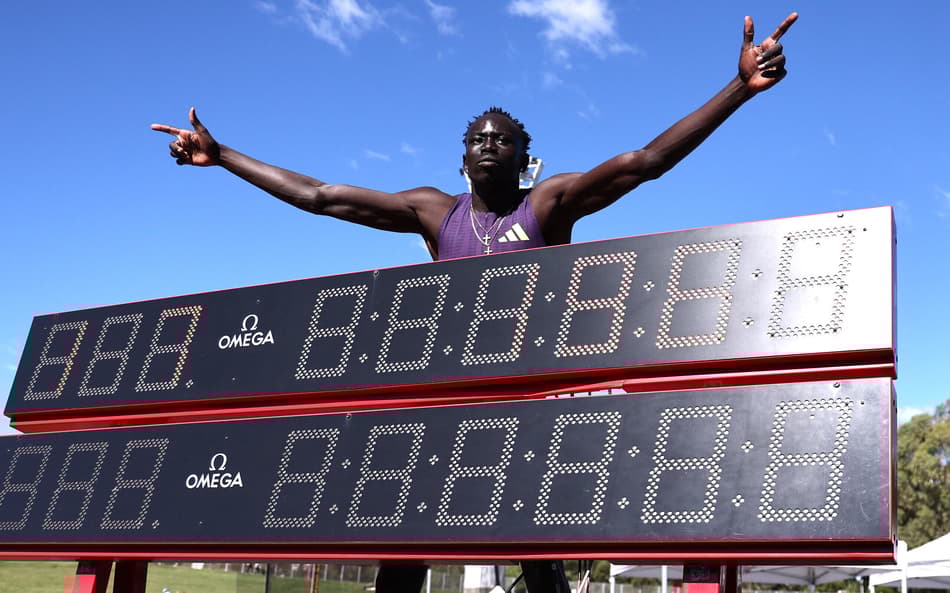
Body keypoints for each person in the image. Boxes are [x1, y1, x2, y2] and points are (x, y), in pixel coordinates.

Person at [152, 13, 797, 593]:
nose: (489, 143)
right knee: (401, 562)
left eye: (502, 138)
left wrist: (738, 88)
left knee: (540, 563)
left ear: (525, 156)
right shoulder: (435, 213)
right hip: (442, 414)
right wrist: (223, 154)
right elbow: (322, 196)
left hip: (525, 418)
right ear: (462, 158)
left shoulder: (547, 205)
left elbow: (645, 160)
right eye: (477, 139)